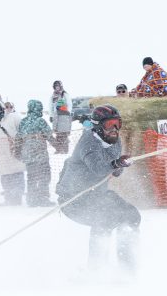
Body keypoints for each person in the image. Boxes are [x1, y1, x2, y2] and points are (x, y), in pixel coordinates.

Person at [56, 105, 138, 272]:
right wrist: (115, 163)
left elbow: (114, 172)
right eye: (110, 125)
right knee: (105, 220)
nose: (115, 129)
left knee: (131, 216)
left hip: (97, 194)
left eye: (118, 124)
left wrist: (120, 165)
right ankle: (96, 270)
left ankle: (127, 268)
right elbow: (99, 168)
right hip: (74, 198)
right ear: (98, 126)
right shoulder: (89, 142)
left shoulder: (115, 140)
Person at [17, 100, 57, 206]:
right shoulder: (40, 121)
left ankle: (31, 199)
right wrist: (58, 145)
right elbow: (49, 135)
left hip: (28, 155)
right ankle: (43, 198)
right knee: (44, 176)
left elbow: (18, 138)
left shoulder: (23, 121)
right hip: (40, 154)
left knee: (31, 177)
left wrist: (17, 151)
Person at [50, 80, 72, 154]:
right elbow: (51, 106)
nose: (57, 88)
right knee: (59, 136)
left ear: (61, 86)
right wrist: (51, 115)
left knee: (63, 136)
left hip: (64, 114)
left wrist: (67, 112)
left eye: (58, 86)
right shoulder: (53, 96)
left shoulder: (65, 94)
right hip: (57, 114)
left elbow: (69, 104)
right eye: (55, 86)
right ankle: (59, 149)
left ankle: (64, 150)